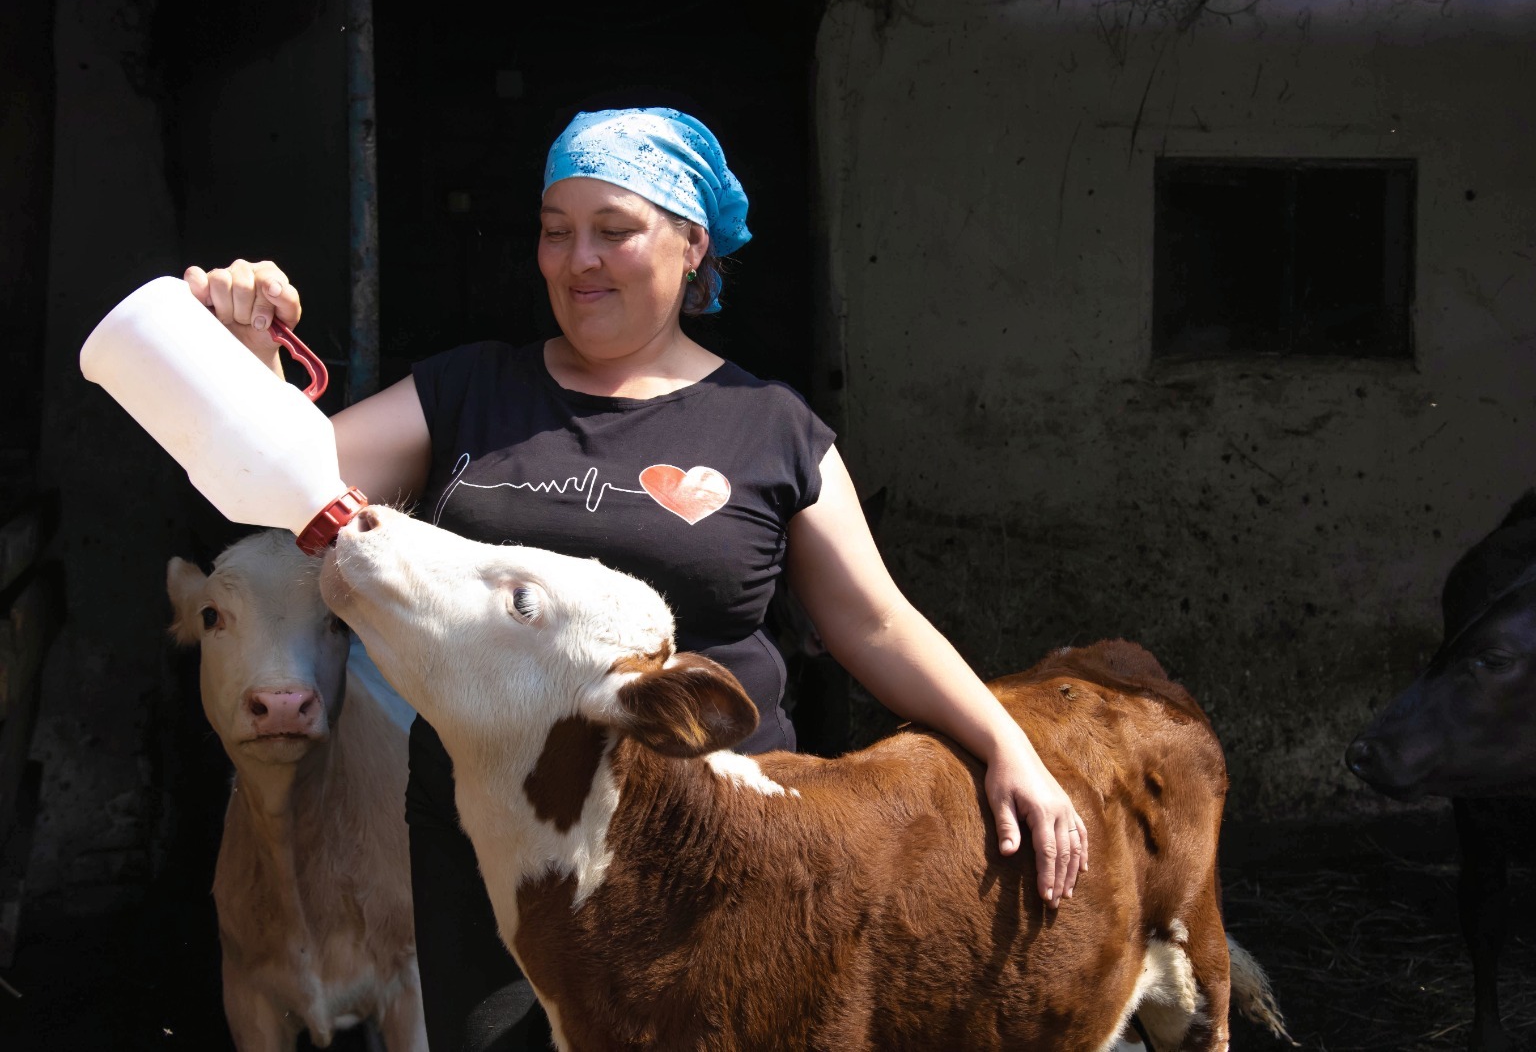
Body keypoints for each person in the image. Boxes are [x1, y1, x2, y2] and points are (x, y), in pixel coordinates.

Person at [186, 106, 1089, 1050]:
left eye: (614, 230)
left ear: (693, 245)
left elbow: (875, 625)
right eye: (554, 230)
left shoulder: (770, 427)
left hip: (707, 869)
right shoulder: (466, 391)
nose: (579, 259)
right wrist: (245, 356)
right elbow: (281, 487)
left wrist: (1005, 744)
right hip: (497, 855)